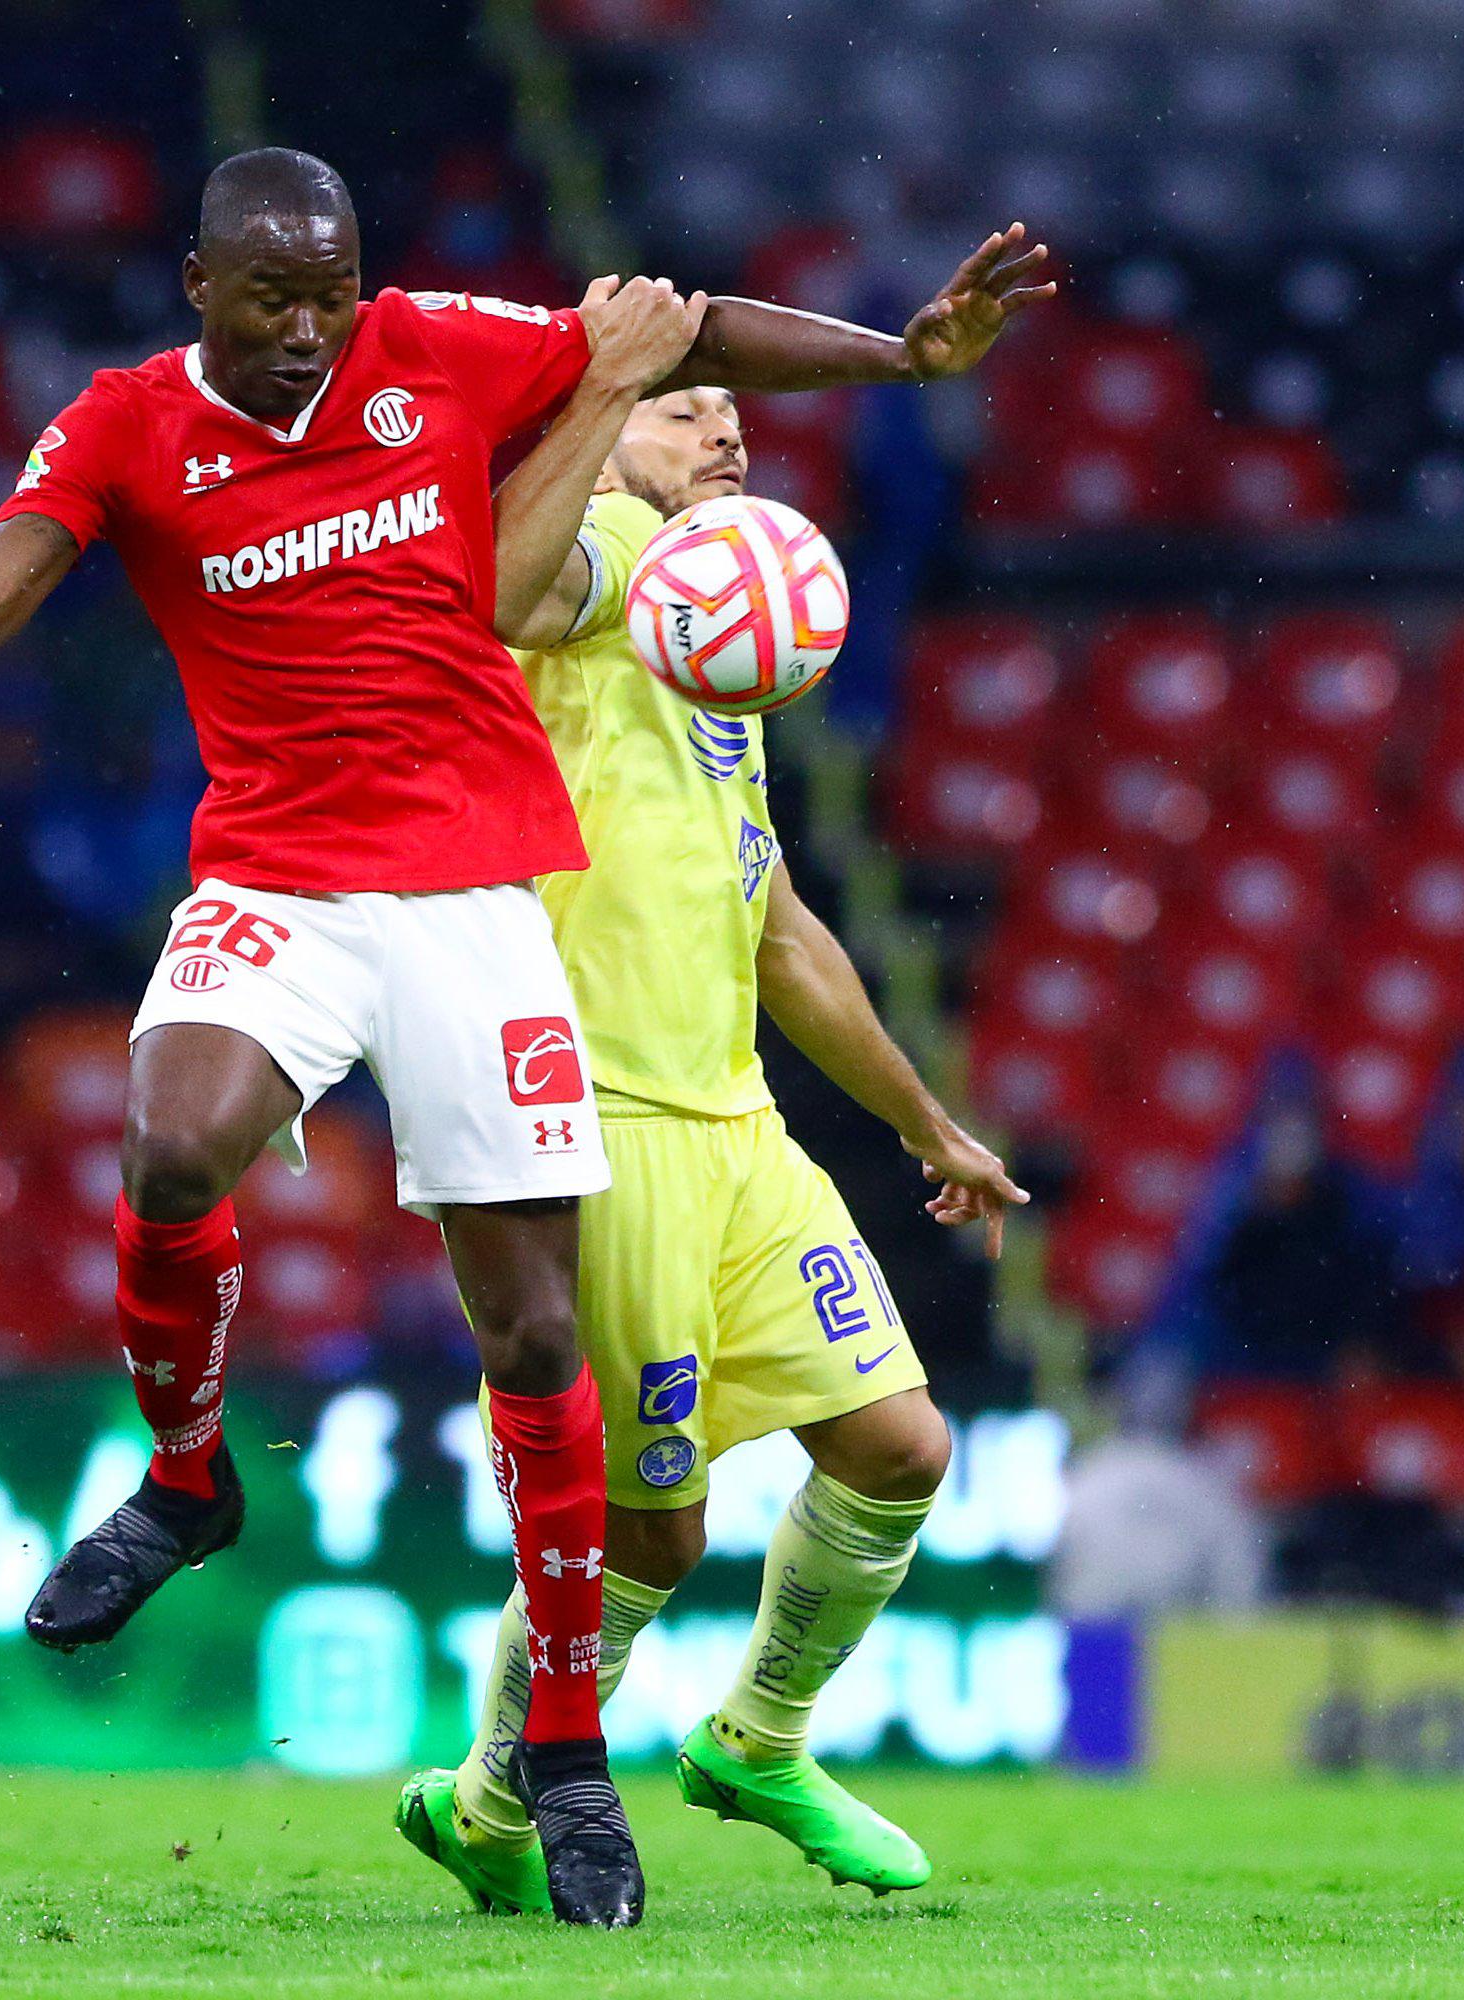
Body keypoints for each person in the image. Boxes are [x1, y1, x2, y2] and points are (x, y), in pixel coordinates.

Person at [0, 144, 1047, 1926]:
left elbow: (683, 323)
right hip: (277, 871)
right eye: (276, 301)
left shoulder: (437, 347)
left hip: (474, 893)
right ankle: (187, 1486)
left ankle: (559, 1758)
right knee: (170, 1141)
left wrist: (899, 355)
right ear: (200, 286)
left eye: (335, 296)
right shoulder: (124, 425)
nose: (313, 332)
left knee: (533, 1329)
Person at [397, 241, 1046, 1913]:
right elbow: (499, 600)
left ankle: (756, 1738)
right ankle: (490, 1800)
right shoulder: (603, 552)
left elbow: (775, 925)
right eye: (683, 408)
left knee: (899, 1448)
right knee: (651, 1535)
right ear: (609, 433)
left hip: (737, 1121)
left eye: (732, 408)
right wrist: (605, 388)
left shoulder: (715, 641)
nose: (725, 429)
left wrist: (928, 1123)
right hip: (594, 1119)